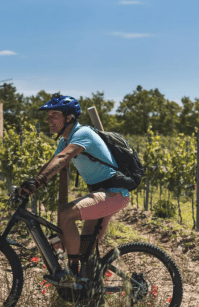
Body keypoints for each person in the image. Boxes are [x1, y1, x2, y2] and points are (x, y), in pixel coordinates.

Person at [17, 93, 130, 287]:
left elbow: (63, 158)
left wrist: (39, 182)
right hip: (103, 194)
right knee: (86, 247)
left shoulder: (82, 134)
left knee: (69, 219)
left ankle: (72, 274)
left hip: (114, 193)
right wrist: (30, 186)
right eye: (48, 115)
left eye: (54, 114)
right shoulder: (64, 140)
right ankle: (87, 290)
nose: (48, 119)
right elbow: (54, 164)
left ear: (68, 118)